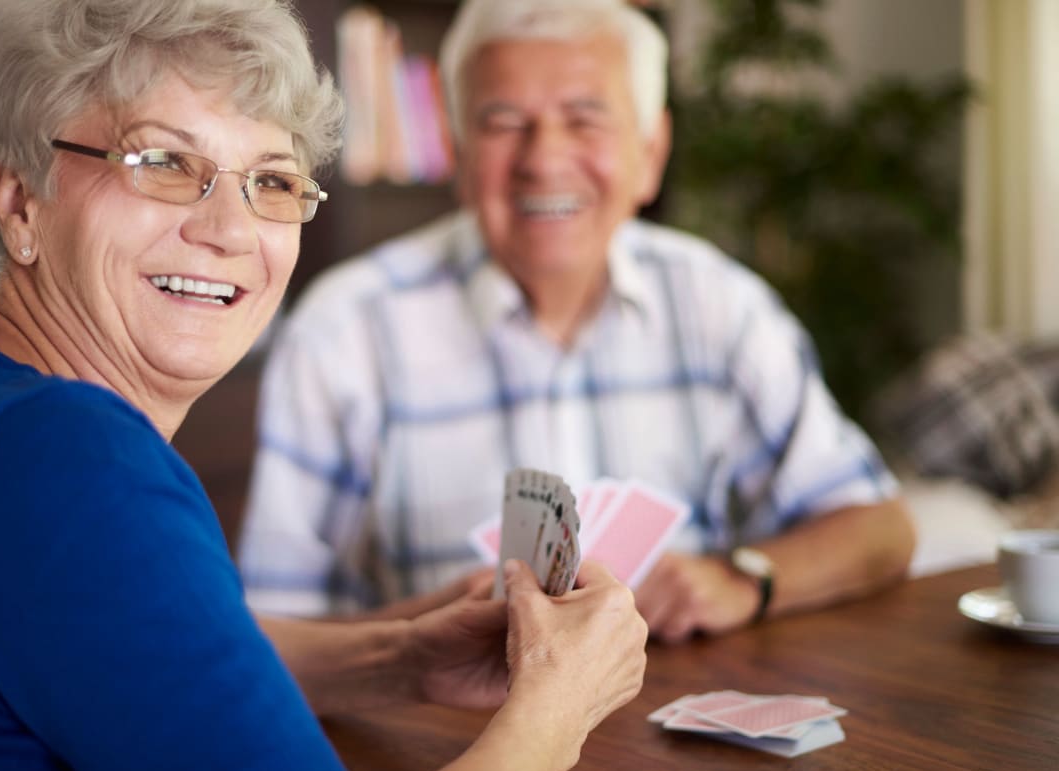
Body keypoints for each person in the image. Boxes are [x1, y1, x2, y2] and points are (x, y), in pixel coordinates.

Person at [0, 1, 649, 771]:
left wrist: (396, 659)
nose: (231, 230)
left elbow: (125, 651)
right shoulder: (66, 460)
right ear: (20, 200)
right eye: (163, 162)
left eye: (272, 180)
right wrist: (560, 700)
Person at [237, 0, 917, 641]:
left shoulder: (721, 304)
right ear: (461, 157)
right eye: (504, 122)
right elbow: (266, 637)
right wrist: (423, 637)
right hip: (443, 750)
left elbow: (881, 528)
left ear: (651, 154)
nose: (545, 160)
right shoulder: (343, 330)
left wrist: (743, 580)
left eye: (586, 118)